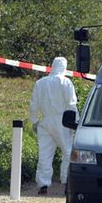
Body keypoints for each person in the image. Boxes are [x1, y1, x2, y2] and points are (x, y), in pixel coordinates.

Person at [29, 57, 78, 195]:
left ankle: (43, 184)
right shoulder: (65, 82)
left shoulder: (40, 83)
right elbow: (71, 104)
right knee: (68, 151)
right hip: (63, 121)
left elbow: (33, 104)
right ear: (64, 67)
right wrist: (76, 122)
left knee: (44, 153)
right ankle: (67, 182)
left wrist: (34, 121)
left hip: (44, 122)